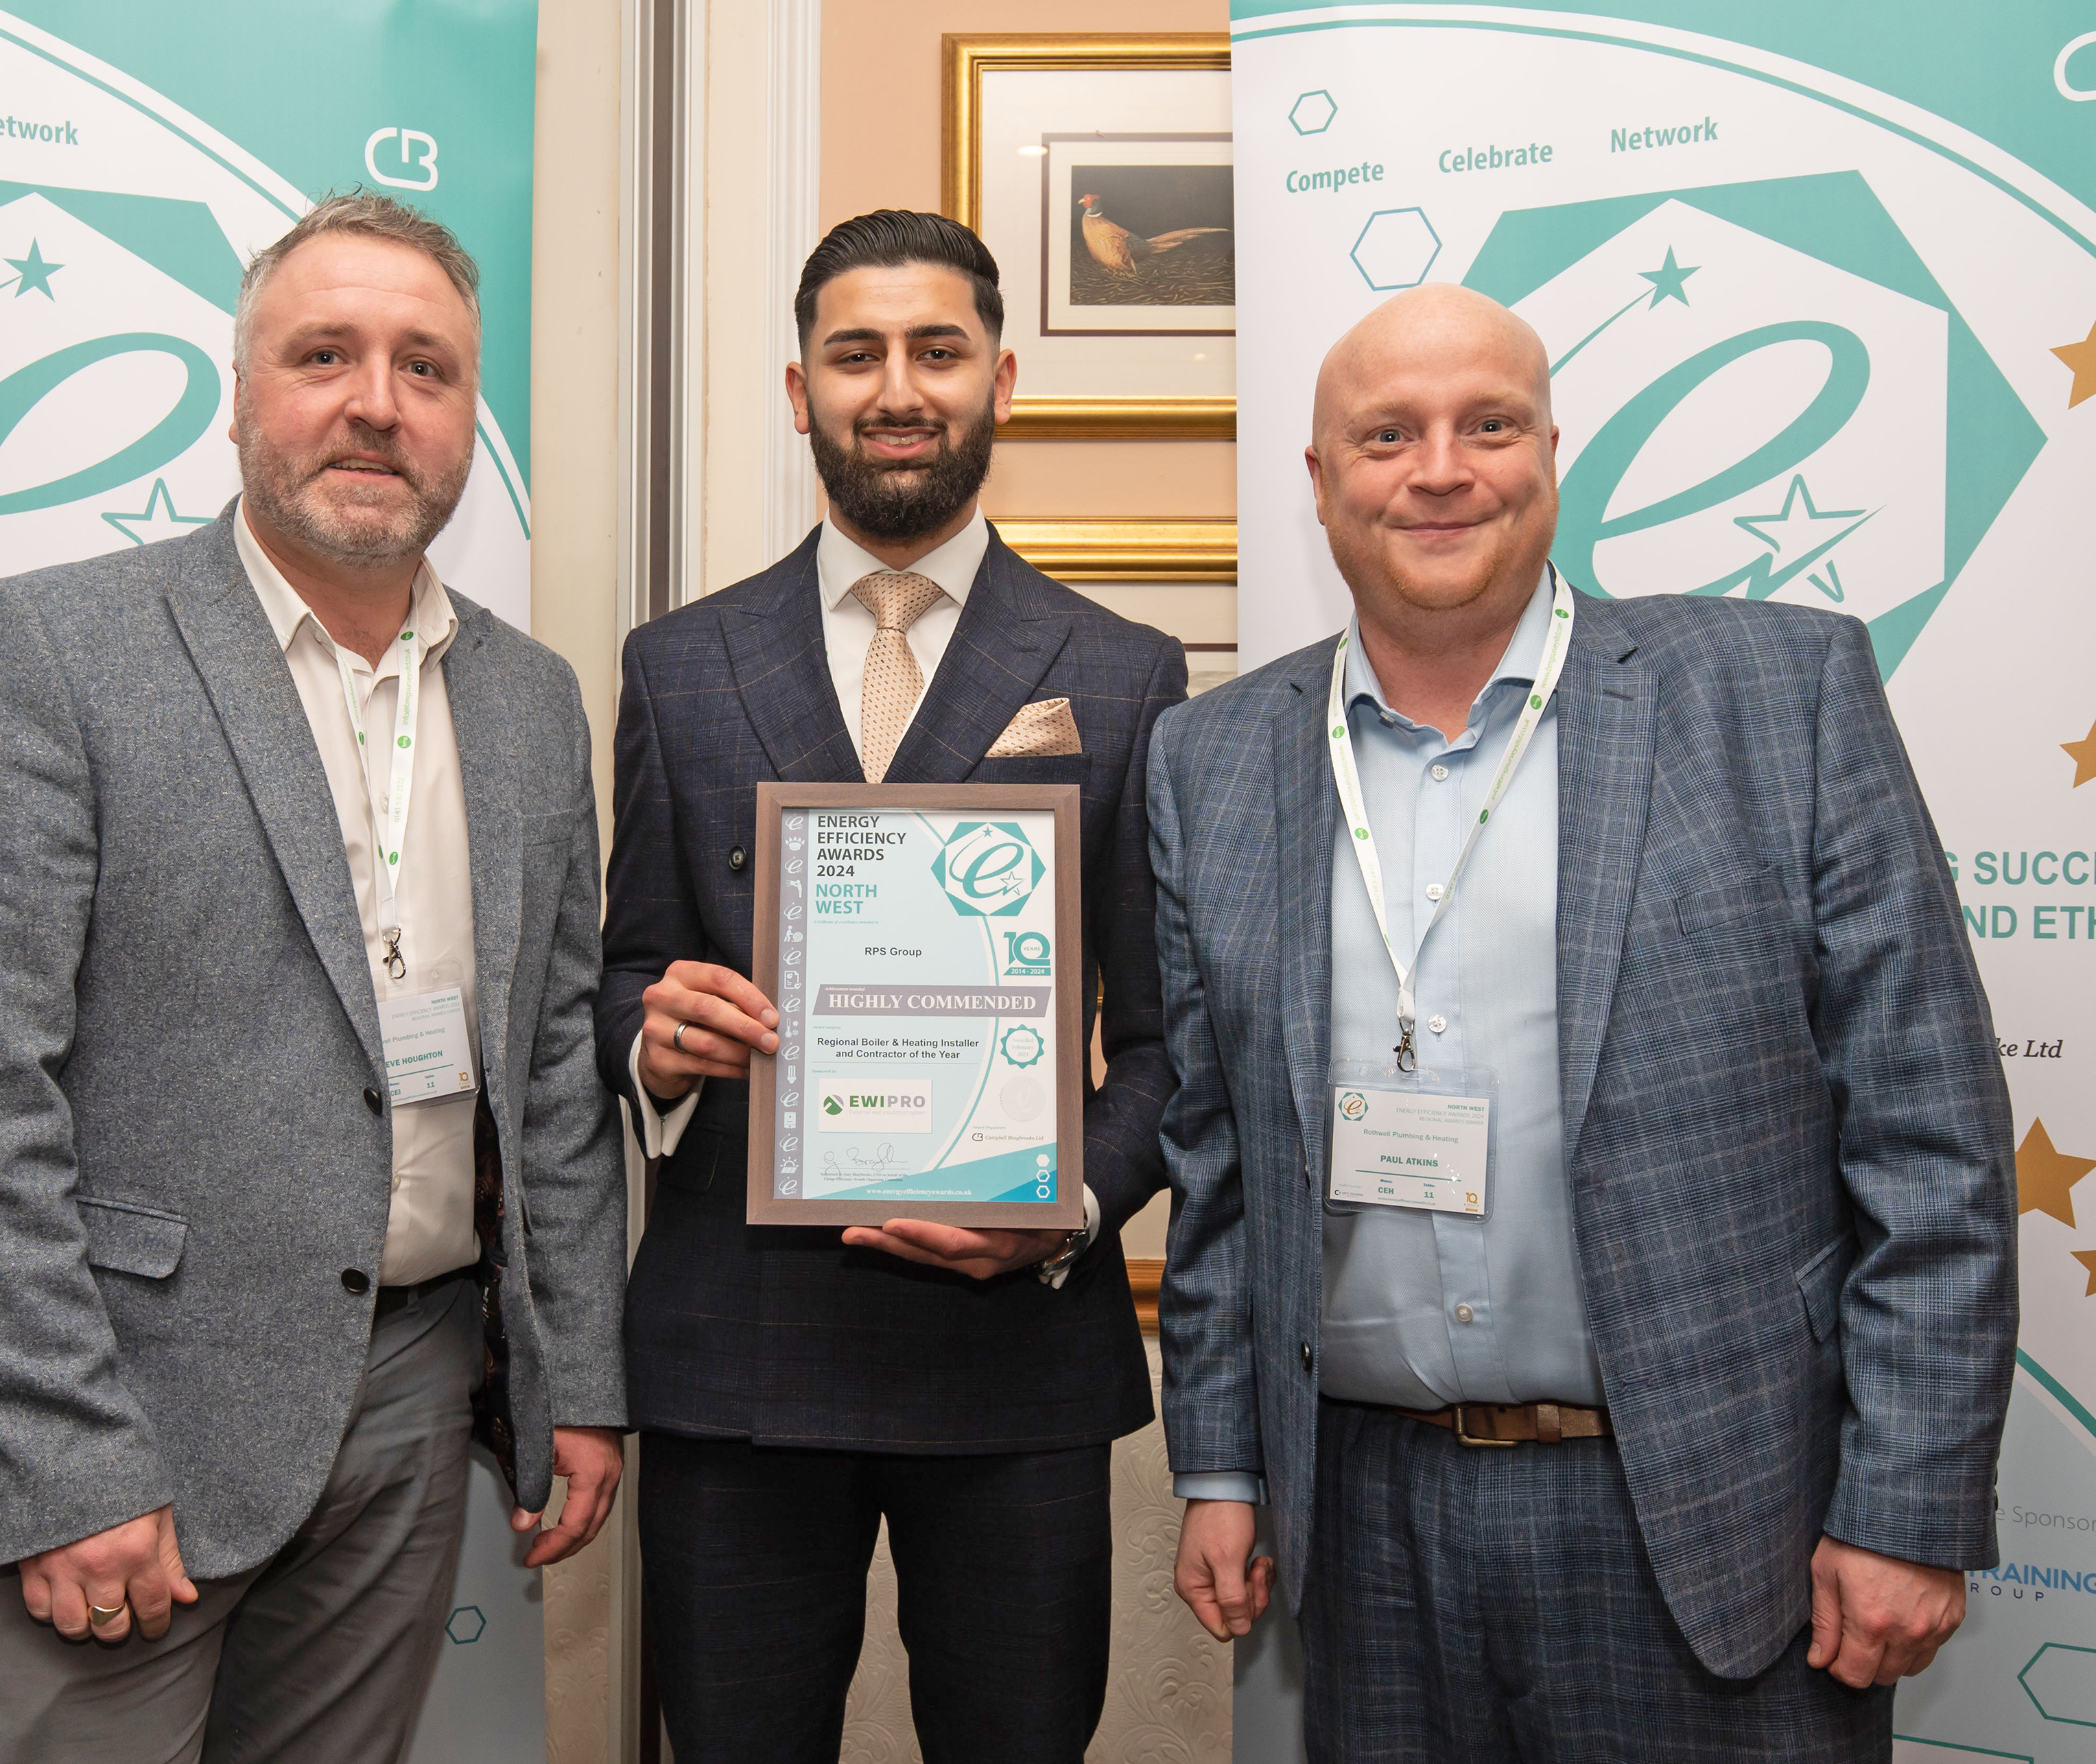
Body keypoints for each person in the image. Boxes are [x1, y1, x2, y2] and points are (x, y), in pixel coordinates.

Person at [1149, 283, 2016, 1760]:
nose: (1440, 470)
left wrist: (1908, 1507)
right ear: (1320, 479)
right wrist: (1223, 1462)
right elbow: (1216, 1157)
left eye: (1487, 425)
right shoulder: (1210, 757)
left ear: (1551, 452)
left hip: (1716, 1516)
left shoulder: (1777, 692)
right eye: (1387, 434)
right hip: (1365, 1525)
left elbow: (1930, 1139)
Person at [0, 191, 627, 1762]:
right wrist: (66, 1459)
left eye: (426, 367)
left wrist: (577, 1373)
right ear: (237, 397)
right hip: (129, 1415)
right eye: (324, 354)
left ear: (467, 419)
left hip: (414, 1391)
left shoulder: (531, 699)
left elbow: (551, 1065)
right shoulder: (58, 649)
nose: (377, 402)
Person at [600, 209, 1187, 1762]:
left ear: (1003, 379)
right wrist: (654, 1043)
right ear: (801, 391)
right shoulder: (676, 662)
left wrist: (1068, 1205)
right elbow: (619, 973)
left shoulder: (1125, 669)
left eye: (937, 350)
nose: (899, 389)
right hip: (739, 1356)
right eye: (856, 355)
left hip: (1013, 1365)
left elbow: (1164, 1045)